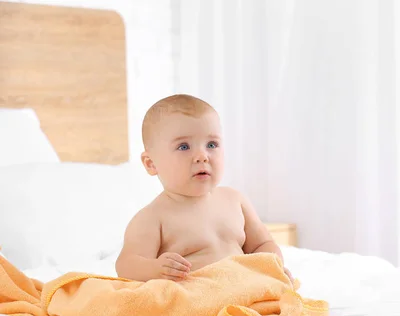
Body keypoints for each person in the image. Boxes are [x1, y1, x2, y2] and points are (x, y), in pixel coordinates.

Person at [116, 94, 293, 282]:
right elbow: (126, 265)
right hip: (197, 299)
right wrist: (155, 269)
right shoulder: (152, 218)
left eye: (211, 144)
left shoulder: (235, 200)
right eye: (184, 147)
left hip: (245, 289)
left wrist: (272, 266)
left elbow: (262, 244)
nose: (202, 156)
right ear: (151, 163)